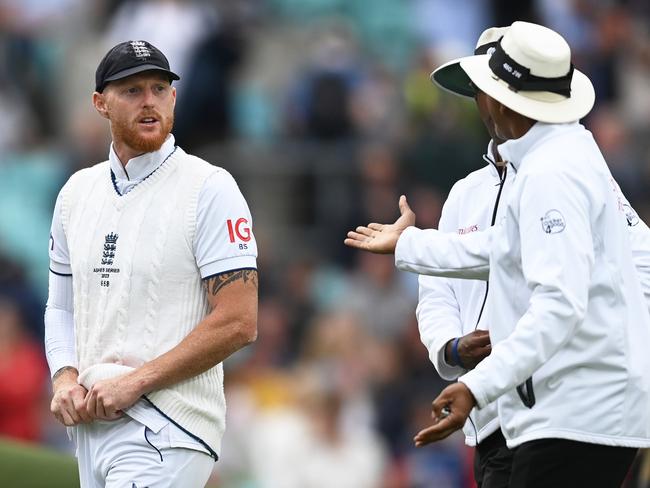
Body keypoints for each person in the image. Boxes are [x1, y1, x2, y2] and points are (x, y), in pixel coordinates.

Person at [345, 21, 650, 487]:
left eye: (482, 86)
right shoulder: (558, 160)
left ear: (499, 98)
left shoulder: (551, 173)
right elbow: (498, 250)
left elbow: (561, 304)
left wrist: (476, 383)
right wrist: (408, 244)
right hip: (543, 411)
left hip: (572, 410)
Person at [44, 40, 258, 488]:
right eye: (132, 90)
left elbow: (240, 320)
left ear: (174, 98)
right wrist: (64, 379)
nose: (149, 102)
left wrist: (136, 382)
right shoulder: (75, 195)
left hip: (169, 426)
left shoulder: (210, 188)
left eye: (159, 89)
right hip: (90, 428)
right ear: (100, 104)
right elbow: (61, 309)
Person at [418, 26, 514, 488]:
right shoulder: (463, 194)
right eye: (482, 89)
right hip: (485, 419)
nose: (492, 103)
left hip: (555, 417)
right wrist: (451, 348)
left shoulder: (564, 174)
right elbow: (435, 292)